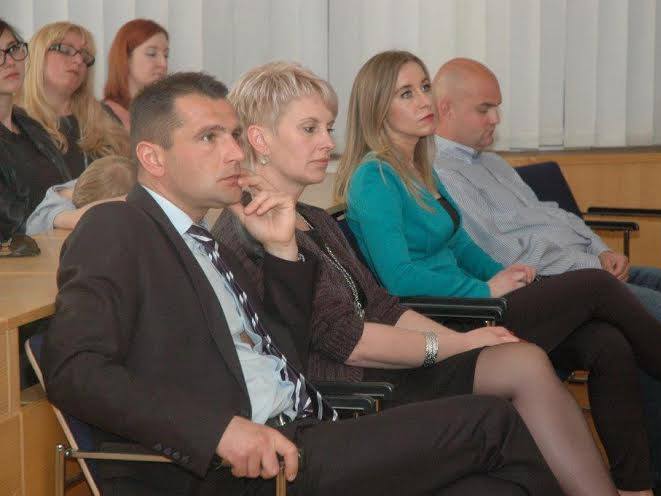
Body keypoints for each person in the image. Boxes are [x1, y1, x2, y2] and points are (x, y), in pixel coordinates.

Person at [42, 71, 564, 496]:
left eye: (232, 135)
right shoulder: (117, 227)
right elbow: (74, 370)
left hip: (305, 429)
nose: (233, 152)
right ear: (153, 158)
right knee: (490, 422)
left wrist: (282, 252)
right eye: (208, 137)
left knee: (484, 487)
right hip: (234, 467)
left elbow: (284, 358)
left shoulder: (207, 240)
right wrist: (217, 431)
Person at [335, 49, 661, 496]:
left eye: (425, 87)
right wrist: (484, 289)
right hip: (448, 319)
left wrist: (507, 276)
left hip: (476, 301)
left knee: (608, 343)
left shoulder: (417, 168)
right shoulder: (374, 178)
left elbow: (461, 246)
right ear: (377, 108)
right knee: (596, 284)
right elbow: (399, 279)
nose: (423, 100)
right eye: (406, 93)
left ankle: (635, 488)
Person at [212, 61, 620, 496]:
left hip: (382, 367)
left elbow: (382, 304)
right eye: (310, 129)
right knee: (519, 373)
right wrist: (458, 344)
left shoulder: (314, 218)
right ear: (260, 139)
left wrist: (457, 340)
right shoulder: (250, 231)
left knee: (525, 359)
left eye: (328, 128)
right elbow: (347, 340)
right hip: (354, 393)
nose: (328, 143)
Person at [22, 21, 128, 176]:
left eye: (85, 56)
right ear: (39, 55)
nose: (79, 61)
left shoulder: (105, 117)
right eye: (65, 50)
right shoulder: (14, 122)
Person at [0, 18, 73, 240]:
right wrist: (63, 215)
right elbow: (9, 220)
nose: (9, 61)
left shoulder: (30, 125)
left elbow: (64, 188)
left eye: (13, 48)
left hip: (59, 246)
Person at [103, 18, 169, 130]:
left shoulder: (168, 114)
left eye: (166, 55)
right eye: (152, 54)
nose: (163, 64)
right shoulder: (100, 117)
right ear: (126, 58)